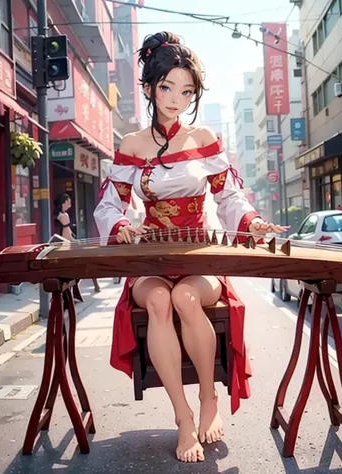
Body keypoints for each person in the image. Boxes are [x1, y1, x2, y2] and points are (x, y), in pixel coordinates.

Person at [94, 32, 288, 464]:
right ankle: (183, 417)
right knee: (160, 298)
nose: (176, 99)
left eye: (186, 91)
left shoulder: (203, 138)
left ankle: (207, 397)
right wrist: (122, 223)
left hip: (198, 252)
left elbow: (229, 197)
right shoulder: (132, 145)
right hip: (152, 254)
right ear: (148, 88)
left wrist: (252, 221)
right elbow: (110, 203)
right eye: (166, 88)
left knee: (184, 296)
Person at [53, 193, 101, 297]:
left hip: (65, 242)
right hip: (66, 244)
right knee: (88, 259)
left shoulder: (57, 215)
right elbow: (66, 236)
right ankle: (95, 285)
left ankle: (94, 285)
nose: (69, 205)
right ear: (63, 202)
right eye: (68, 203)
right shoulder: (64, 216)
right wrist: (73, 244)